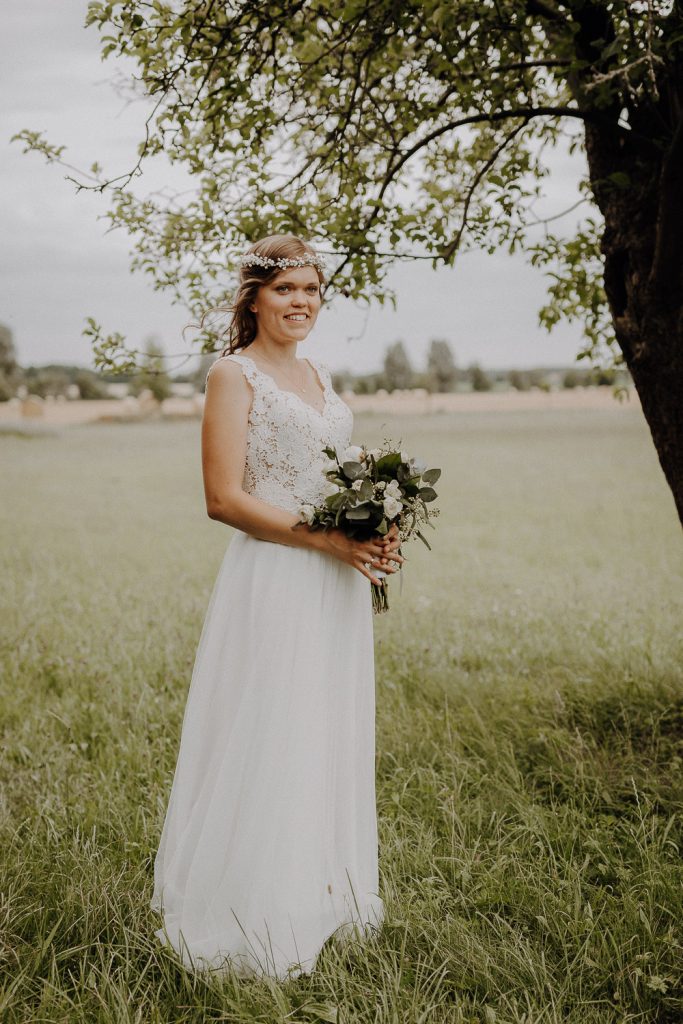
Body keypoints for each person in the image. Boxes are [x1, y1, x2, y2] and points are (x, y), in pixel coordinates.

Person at [150, 233, 404, 980]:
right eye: (286, 289)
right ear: (253, 298)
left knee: (325, 727)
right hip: (278, 574)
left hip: (334, 581)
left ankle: (322, 890)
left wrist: (376, 519)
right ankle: (255, 909)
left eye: (312, 291)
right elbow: (222, 498)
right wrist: (326, 541)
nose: (301, 303)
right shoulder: (234, 375)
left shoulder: (318, 374)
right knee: (275, 727)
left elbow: (334, 469)